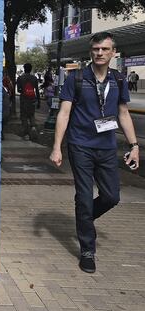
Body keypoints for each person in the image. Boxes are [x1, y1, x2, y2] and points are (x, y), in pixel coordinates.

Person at [49, 32, 140, 274]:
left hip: (107, 147)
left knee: (112, 197)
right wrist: (57, 147)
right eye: (96, 49)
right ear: (91, 51)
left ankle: (84, 219)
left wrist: (134, 146)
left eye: (105, 49)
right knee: (84, 195)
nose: (100, 53)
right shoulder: (76, 78)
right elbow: (64, 113)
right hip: (80, 146)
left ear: (113, 53)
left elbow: (123, 114)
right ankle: (87, 250)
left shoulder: (119, 80)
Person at [16, 63, 41, 140]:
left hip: (24, 99)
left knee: (24, 116)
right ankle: (33, 127)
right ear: (30, 69)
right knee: (31, 115)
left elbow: (18, 90)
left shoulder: (20, 78)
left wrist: (24, 90)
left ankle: (26, 134)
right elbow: (37, 90)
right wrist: (38, 101)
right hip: (32, 99)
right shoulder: (34, 78)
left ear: (24, 69)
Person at [2, 69, 14, 140]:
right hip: (7, 97)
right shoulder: (8, 79)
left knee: (3, 116)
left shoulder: (5, 80)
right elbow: (11, 88)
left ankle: (1, 132)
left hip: (5, 98)